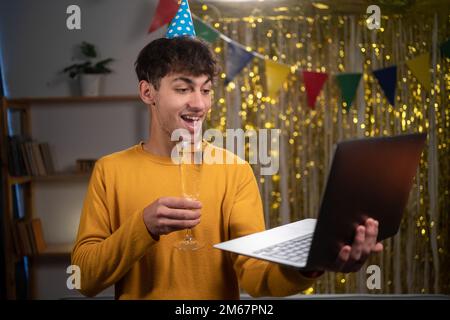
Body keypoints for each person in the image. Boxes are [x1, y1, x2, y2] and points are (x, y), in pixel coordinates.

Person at [71, 35, 383, 300]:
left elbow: (254, 275)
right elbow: (83, 279)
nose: (200, 104)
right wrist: (143, 227)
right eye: (183, 89)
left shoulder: (235, 170)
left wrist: (309, 264)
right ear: (147, 93)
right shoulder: (110, 170)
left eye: (206, 90)